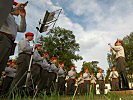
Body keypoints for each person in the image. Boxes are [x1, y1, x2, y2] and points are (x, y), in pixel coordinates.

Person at [0, 1, 26, 77]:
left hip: (9, 42)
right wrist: (17, 7)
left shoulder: (13, 20)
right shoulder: (6, 14)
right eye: (18, 10)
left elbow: (22, 29)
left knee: (2, 64)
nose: (19, 12)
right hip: (3, 37)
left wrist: (23, 17)